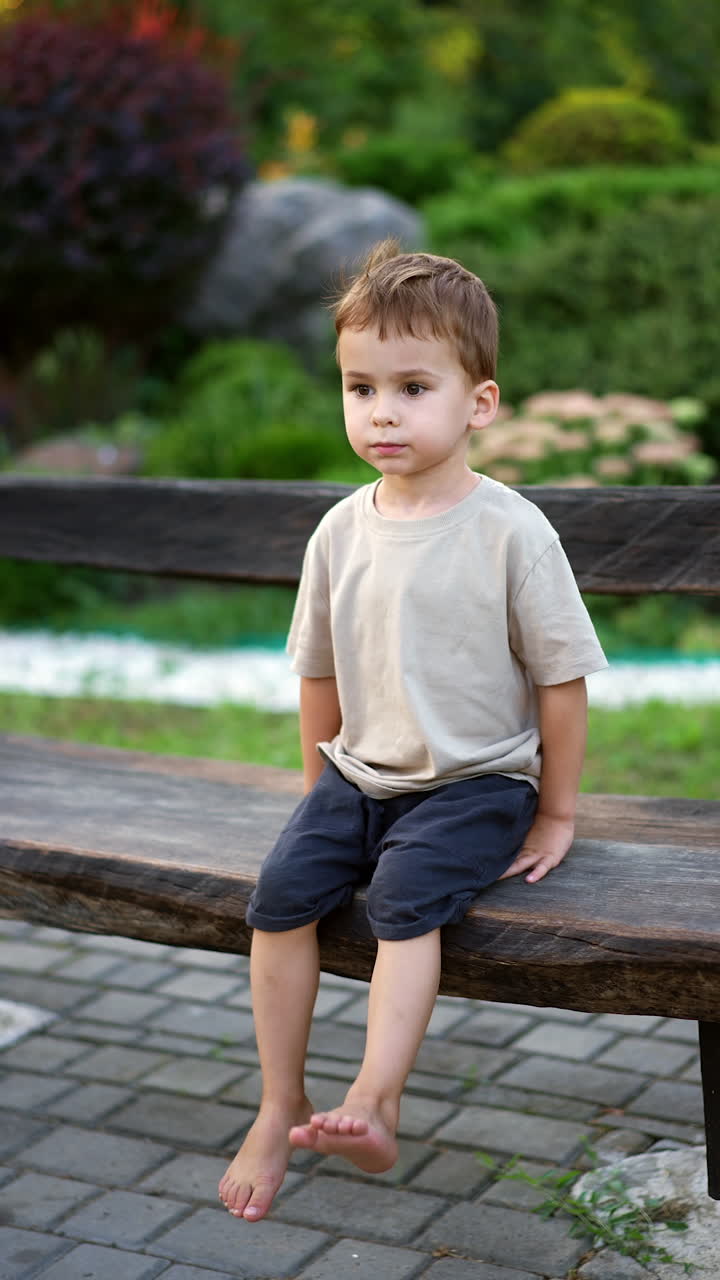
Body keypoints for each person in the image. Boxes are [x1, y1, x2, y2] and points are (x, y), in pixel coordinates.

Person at [218, 240, 607, 1223]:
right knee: (277, 900)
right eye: (359, 386)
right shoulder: (341, 529)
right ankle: (280, 1102)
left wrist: (556, 810)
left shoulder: (510, 531)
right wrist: (318, 788)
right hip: (359, 773)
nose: (380, 410)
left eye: (411, 386)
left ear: (478, 402)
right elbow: (320, 669)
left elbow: (561, 679)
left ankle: (375, 1099)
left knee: (405, 903)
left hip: (476, 781)